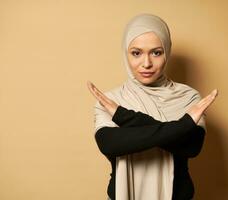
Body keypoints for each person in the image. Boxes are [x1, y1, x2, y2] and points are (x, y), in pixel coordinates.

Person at [87, 13, 218, 200]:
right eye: (136, 53)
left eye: (156, 52)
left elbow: (191, 147)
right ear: (126, 53)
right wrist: (184, 125)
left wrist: (124, 116)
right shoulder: (111, 99)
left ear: (167, 52)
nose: (146, 63)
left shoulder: (188, 97)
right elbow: (110, 144)